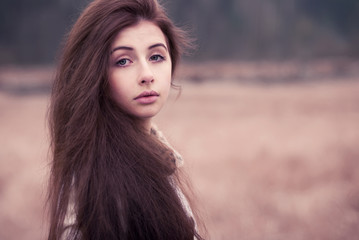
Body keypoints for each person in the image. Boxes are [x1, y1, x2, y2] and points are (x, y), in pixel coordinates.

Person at [47, 0, 204, 239]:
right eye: (123, 61)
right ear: (94, 74)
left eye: (156, 57)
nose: (147, 75)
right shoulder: (96, 181)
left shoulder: (155, 157)